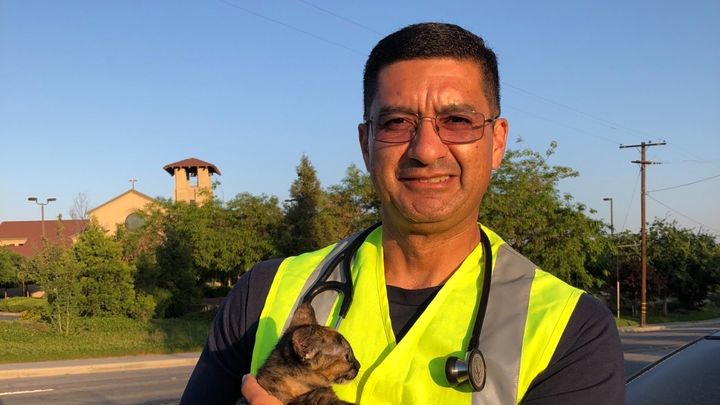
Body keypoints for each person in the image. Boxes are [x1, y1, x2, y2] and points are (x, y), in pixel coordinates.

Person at [181, 22, 625, 404]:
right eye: (397, 123)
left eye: (457, 121)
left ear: (496, 141)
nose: (426, 150)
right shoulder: (264, 293)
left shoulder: (571, 329)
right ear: (365, 144)